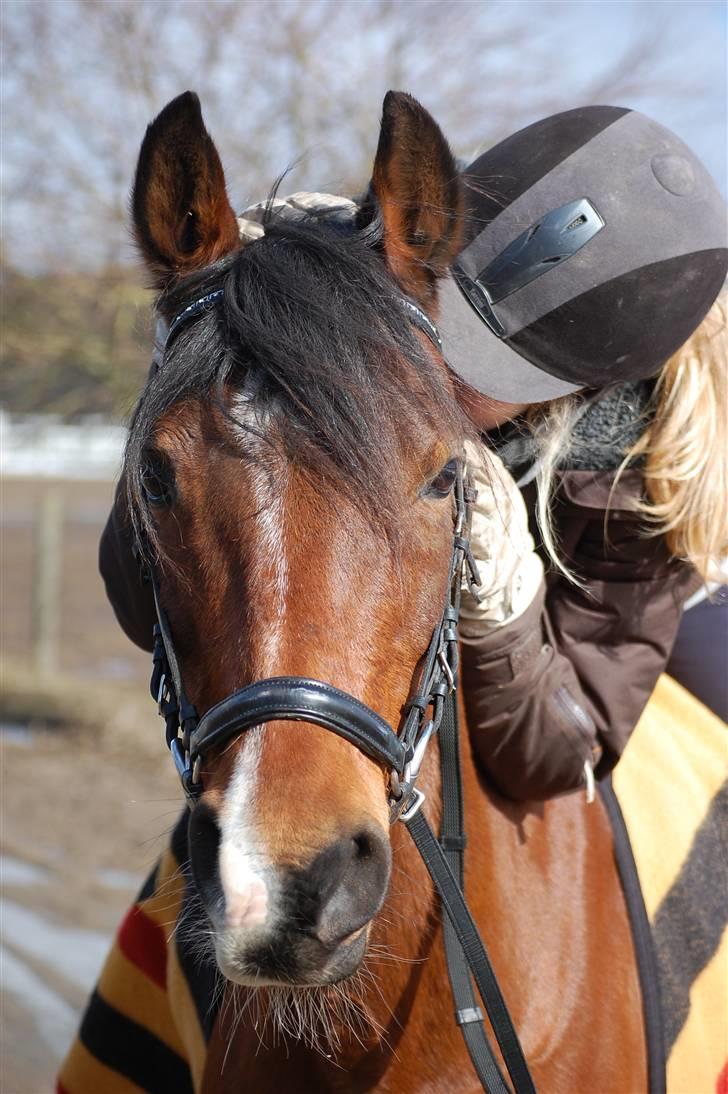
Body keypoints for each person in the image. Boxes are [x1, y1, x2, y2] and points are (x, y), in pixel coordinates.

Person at [99, 105, 728, 802]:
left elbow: (561, 753)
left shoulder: (635, 485)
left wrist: (506, 606)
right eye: (438, 313)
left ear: (582, 389)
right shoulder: (395, 272)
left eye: (493, 371)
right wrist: (205, 324)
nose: (435, 369)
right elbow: (141, 607)